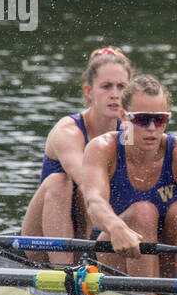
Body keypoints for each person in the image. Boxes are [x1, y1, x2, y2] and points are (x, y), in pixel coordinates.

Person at [81, 75, 177, 277]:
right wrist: (116, 227)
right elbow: (94, 202)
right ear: (124, 116)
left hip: (167, 252)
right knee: (143, 212)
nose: (152, 128)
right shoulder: (103, 148)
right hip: (116, 249)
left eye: (159, 119)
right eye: (142, 119)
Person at [20, 47, 131, 265]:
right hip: (42, 240)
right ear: (89, 91)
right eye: (106, 86)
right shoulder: (69, 131)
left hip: (91, 235)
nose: (115, 94)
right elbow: (88, 184)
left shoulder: (131, 133)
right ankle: (62, 272)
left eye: (122, 87)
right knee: (59, 182)